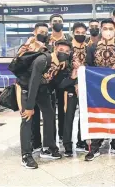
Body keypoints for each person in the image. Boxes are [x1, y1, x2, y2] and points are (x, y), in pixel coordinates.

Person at [17, 40, 72, 169]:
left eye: (67, 51)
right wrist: (30, 107)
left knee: (49, 115)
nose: (63, 53)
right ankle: (26, 155)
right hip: (26, 88)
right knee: (27, 118)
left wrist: (72, 77)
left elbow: (58, 85)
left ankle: (48, 148)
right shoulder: (43, 60)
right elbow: (33, 82)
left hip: (42, 90)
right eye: (61, 50)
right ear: (55, 48)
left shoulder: (61, 64)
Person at [85, 19, 115, 161]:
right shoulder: (93, 46)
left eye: (110, 28)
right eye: (105, 28)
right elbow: (89, 65)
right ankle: (95, 146)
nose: (108, 31)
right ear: (101, 30)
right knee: (98, 114)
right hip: (97, 86)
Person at [16, 23, 49, 153]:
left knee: (46, 115)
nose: (43, 34)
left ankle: (43, 145)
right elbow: (16, 64)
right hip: (24, 86)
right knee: (27, 117)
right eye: (41, 32)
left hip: (40, 87)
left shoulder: (46, 48)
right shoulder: (25, 47)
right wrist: (26, 49)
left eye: (46, 32)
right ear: (34, 32)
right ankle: (26, 153)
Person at [60, 22, 88, 157]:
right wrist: (74, 82)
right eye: (78, 32)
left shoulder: (89, 48)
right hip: (69, 88)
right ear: (73, 33)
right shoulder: (68, 49)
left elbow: (90, 67)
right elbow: (65, 70)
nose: (80, 35)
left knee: (83, 115)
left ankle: (81, 141)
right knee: (68, 116)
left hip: (84, 87)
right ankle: (67, 145)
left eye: (83, 33)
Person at [47, 14, 72, 143]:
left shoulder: (68, 38)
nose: (57, 23)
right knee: (50, 109)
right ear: (50, 24)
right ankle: (51, 137)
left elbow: (73, 57)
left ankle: (62, 135)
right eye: (55, 21)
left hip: (64, 78)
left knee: (63, 108)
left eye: (60, 21)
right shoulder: (46, 39)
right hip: (49, 79)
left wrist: (66, 63)